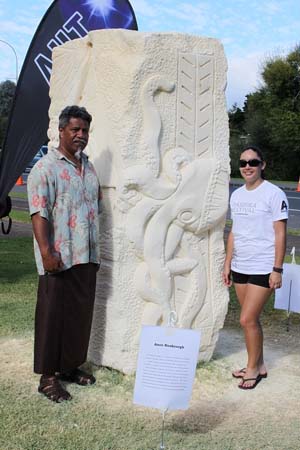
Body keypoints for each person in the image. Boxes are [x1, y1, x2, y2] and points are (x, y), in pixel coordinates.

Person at [27, 105, 101, 402]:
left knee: (79, 316)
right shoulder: (46, 168)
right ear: (61, 131)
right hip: (59, 256)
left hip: (87, 256)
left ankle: (70, 366)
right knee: (53, 317)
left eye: (84, 130)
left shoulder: (89, 167)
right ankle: (47, 377)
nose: (81, 135)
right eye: (75, 130)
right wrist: (46, 252)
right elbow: (38, 212)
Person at [223, 146, 288, 390]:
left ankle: (252, 371)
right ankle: (258, 364)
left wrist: (277, 268)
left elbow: (280, 233)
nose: (247, 166)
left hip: (263, 266)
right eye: (243, 162)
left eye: (253, 161)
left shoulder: (274, 194)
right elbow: (234, 232)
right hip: (241, 265)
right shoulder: (237, 195)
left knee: (246, 318)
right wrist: (228, 263)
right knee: (252, 320)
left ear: (263, 164)